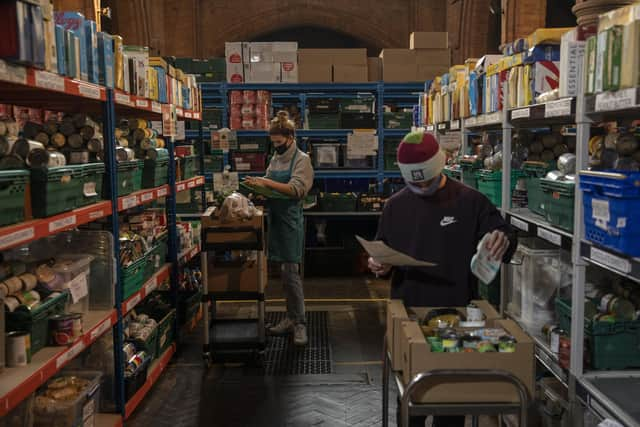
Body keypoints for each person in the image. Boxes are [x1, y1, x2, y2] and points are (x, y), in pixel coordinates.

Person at [369, 131, 517, 427]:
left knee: (450, 402)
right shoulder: (395, 206)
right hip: (409, 314)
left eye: (427, 180)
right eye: (415, 182)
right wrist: (378, 264)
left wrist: (503, 238)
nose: (422, 186)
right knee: (410, 402)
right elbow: (381, 248)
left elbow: (504, 234)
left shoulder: (471, 202)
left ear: (441, 165)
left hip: (457, 315)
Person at [244, 111, 314, 346]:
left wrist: (265, 182)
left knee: (291, 274)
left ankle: (300, 323)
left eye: (279, 142)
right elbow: (270, 179)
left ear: (291, 137)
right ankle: (291, 318)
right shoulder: (275, 157)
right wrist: (257, 187)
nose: (276, 147)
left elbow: (296, 190)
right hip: (274, 219)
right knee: (283, 276)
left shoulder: (302, 160)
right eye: (273, 142)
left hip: (290, 222)